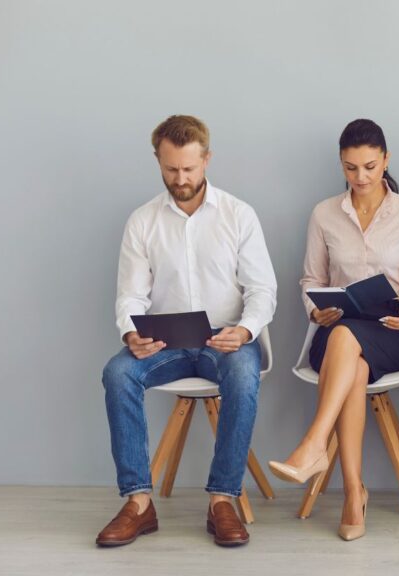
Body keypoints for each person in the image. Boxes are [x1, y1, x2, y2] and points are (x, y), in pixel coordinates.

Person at [98, 115, 277, 547]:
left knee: (241, 374)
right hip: (166, 340)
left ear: (207, 159)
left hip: (225, 338)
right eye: (171, 169)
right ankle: (138, 502)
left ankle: (222, 501)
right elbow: (130, 295)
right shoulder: (142, 221)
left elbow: (262, 289)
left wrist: (246, 330)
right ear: (158, 161)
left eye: (189, 169)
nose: (181, 179)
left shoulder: (239, 214)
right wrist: (130, 333)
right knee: (117, 373)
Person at [268, 119, 399, 541]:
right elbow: (310, 280)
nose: (361, 177)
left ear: (386, 160)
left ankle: (314, 446)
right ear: (341, 165)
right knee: (350, 359)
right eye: (351, 168)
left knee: (349, 345)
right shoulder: (324, 213)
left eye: (370, 167)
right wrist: (314, 309)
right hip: (338, 324)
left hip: (393, 329)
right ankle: (353, 493)